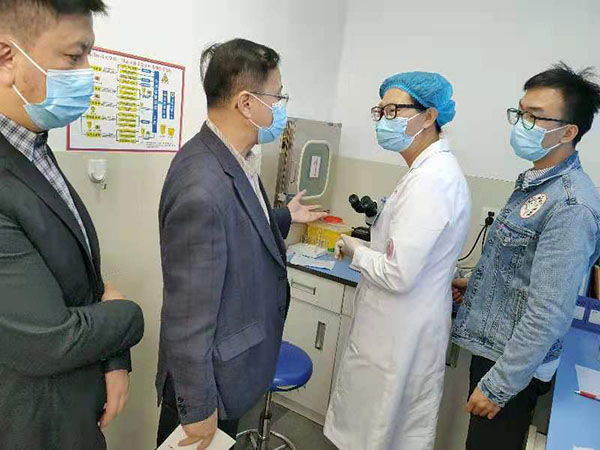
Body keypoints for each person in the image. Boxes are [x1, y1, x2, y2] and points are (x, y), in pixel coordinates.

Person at [156, 38, 326, 450]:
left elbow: (237, 225)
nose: (281, 108)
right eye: (278, 97)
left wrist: (284, 217)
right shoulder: (201, 183)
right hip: (207, 384)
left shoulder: (235, 160)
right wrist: (198, 410)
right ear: (247, 103)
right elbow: (188, 316)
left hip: (231, 370)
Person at [0, 1, 145, 449]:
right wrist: (128, 314)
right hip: (32, 426)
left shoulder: (32, 146)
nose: (87, 73)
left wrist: (114, 359)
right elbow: (51, 340)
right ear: (7, 58)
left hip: (76, 410)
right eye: (74, 56)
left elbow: (84, 281)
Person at [451, 62, 600, 450]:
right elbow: (523, 268)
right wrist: (478, 286)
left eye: (534, 117)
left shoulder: (571, 205)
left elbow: (549, 311)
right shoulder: (538, 185)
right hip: (498, 350)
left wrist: (499, 387)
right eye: (519, 113)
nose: (521, 124)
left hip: (515, 367)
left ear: (568, 132)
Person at [324, 72, 471, 450]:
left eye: (393, 110)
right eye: (380, 111)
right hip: (396, 327)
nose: (384, 120)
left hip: (399, 334)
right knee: (381, 428)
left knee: (379, 431)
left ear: (429, 116)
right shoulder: (424, 173)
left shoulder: (432, 180)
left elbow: (398, 274)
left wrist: (355, 250)